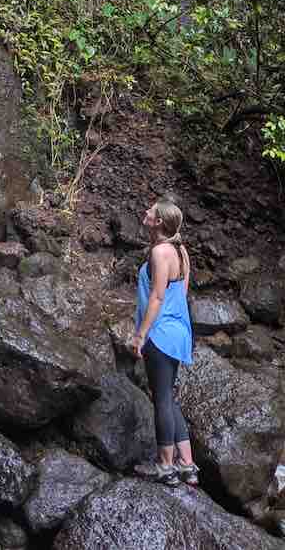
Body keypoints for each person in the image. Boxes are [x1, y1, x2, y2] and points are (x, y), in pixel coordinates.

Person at [131, 197, 199, 486]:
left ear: (158, 222)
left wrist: (140, 334)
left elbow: (158, 297)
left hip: (160, 333)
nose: (145, 211)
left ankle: (165, 466)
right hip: (179, 331)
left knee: (160, 399)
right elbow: (180, 295)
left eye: (151, 211)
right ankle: (187, 464)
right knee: (167, 397)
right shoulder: (181, 251)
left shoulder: (160, 252)